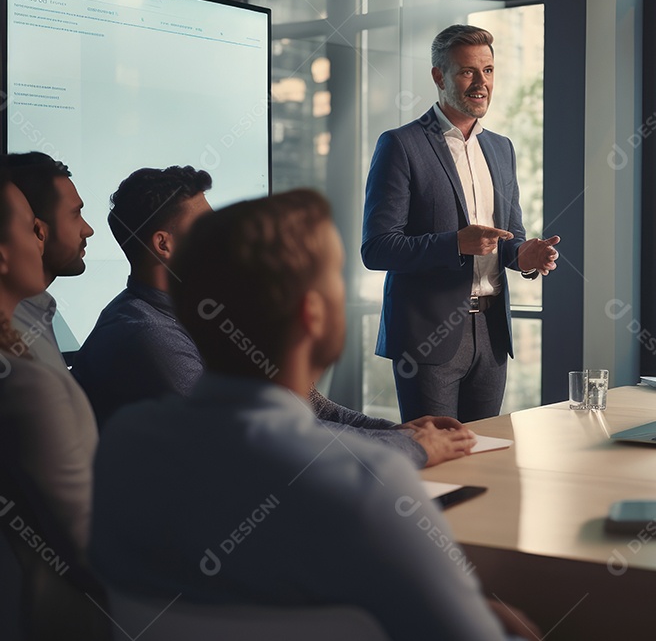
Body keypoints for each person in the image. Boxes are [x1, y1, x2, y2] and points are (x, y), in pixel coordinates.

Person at [90, 190, 536, 640]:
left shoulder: (123, 445)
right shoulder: (373, 483)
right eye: (336, 281)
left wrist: (399, 432)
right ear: (313, 314)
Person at [73, 166, 474, 467]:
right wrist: (410, 448)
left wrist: (399, 431)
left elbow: (312, 408)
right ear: (164, 244)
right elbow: (265, 438)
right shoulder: (146, 336)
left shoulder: (208, 315)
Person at [362, 24, 559, 422]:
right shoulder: (401, 145)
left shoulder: (500, 148)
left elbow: (507, 238)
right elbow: (377, 247)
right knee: (435, 463)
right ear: (439, 76)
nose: (480, 83)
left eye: (487, 71)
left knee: (483, 458)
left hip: (491, 333)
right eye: (468, 71)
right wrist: (455, 243)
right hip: (427, 338)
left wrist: (524, 254)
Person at [0, 169, 109, 640]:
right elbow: (86, 542)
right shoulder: (25, 380)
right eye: (30, 226)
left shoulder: (35, 335)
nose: (41, 236)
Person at [2, 152, 94, 372]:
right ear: (37, 231)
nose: (88, 230)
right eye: (75, 214)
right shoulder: (16, 332)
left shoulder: (35, 316)